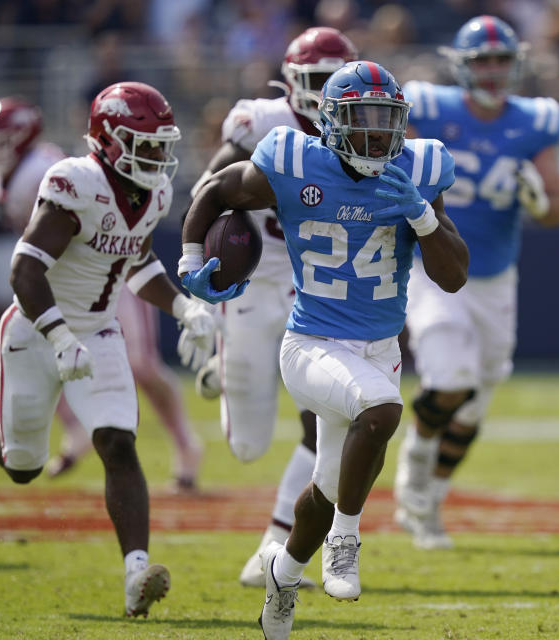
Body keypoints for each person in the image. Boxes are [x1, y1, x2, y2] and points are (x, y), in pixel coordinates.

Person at [179, 60, 468, 640]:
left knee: (328, 485)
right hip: (311, 342)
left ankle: (282, 576)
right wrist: (191, 263)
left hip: (379, 348)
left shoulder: (417, 168)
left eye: (386, 120)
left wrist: (421, 215)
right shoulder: (293, 158)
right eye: (362, 119)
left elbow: (455, 275)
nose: (376, 134)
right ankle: (346, 541)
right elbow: (215, 189)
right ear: (330, 122)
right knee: (383, 409)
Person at [0, 81, 217, 617]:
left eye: (161, 145)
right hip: (36, 330)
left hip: (100, 330)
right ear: (108, 140)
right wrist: (59, 337)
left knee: (117, 442)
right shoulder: (73, 182)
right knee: (23, 467)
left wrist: (184, 308)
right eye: (145, 144)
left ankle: (135, 575)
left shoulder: (152, 192)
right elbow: (25, 269)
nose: (157, 156)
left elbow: (139, 262)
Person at [182, 26, 358, 588]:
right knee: (248, 447)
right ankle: (224, 365)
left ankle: (273, 546)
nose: (327, 91)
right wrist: (200, 265)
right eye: (316, 80)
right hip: (255, 286)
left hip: (319, 292)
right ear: (289, 83)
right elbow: (209, 190)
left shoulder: (362, 125)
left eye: (336, 79)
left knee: (330, 417)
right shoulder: (263, 123)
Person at [391, 14, 559, 550]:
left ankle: (431, 502)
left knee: (472, 407)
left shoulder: (535, 120)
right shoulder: (429, 107)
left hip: (495, 278)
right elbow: (397, 171)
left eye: (501, 61)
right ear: (462, 67)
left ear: (516, 65)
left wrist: (541, 201)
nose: (492, 71)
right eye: (481, 61)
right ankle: (413, 477)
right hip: (435, 270)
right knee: (449, 381)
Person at [0, 96, 205, 490]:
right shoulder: (16, 176)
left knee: (141, 364)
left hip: (112, 278)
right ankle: (61, 427)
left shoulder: (41, 170)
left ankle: (185, 445)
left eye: (1, 138)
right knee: (59, 353)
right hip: (67, 283)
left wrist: (184, 307)